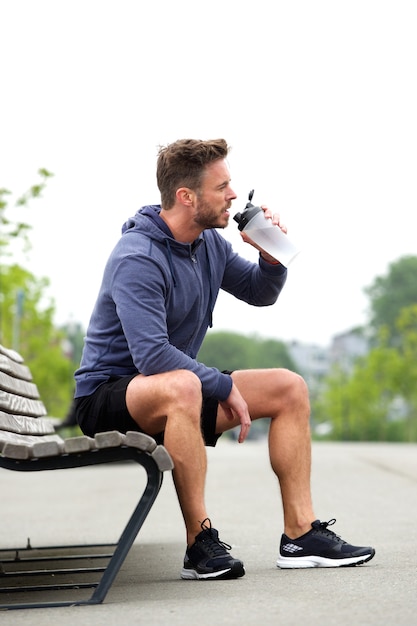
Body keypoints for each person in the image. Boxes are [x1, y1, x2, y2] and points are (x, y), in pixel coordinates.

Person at [74, 138, 375, 580]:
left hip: (177, 389)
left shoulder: (208, 246)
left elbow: (259, 293)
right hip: (109, 397)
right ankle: (200, 544)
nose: (234, 196)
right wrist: (222, 385)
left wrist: (271, 258)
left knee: (288, 387)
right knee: (184, 384)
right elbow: (153, 355)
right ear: (186, 196)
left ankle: (300, 534)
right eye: (223, 186)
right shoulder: (137, 255)